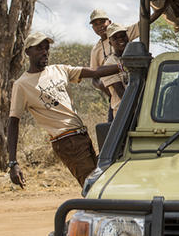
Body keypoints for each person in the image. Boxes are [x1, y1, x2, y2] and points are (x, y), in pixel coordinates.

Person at [7, 32, 126, 188]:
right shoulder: (22, 84)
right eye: (39, 48)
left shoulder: (59, 70)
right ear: (28, 52)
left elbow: (95, 72)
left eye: (46, 48)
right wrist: (13, 162)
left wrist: (122, 66)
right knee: (94, 186)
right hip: (66, 140)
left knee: (101, 180)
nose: (44, 52)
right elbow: (13, 121)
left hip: (81, 135)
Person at [88, 9, 115, 120]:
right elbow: (94, 77)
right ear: (93, 28)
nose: (100, 27)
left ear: (109, 22)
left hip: (133, 90)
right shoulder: (96, 50)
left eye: (102, 22)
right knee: (114, 131)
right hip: (114, 96)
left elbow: (141, 25)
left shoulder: (120, 35)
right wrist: (105, 88)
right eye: (96, 24)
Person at [100, 23, 130, 112]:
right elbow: (122, 94)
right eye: (115, 38)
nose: (120, 39)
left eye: (122, 36)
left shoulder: (136, 56)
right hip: (123, 111)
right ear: (110, 42)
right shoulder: (110, 64)